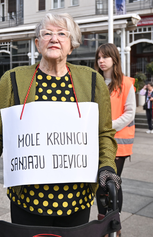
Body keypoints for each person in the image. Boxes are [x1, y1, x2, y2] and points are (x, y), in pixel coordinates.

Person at [0, 13, 121, 228]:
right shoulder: (12, 80)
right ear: (38, 44)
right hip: (28, 201)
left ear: (72, 44)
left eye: (61, 34)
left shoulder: (93, 81)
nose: (54, 38)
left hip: (76, 200)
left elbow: (103, 133)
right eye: (47, 33)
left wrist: (107, 167)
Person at [94, 43, 136, 235]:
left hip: (118, 142)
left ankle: (115, 223)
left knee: (112, 183)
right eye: (99, 57)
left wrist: (107, 127)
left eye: (105, 57)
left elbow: (130, 113)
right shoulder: (94, 82)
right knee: (97, 183)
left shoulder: (126, 83)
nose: (101, 61)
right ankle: (103, 219)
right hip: (96, 142)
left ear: (114, 59)